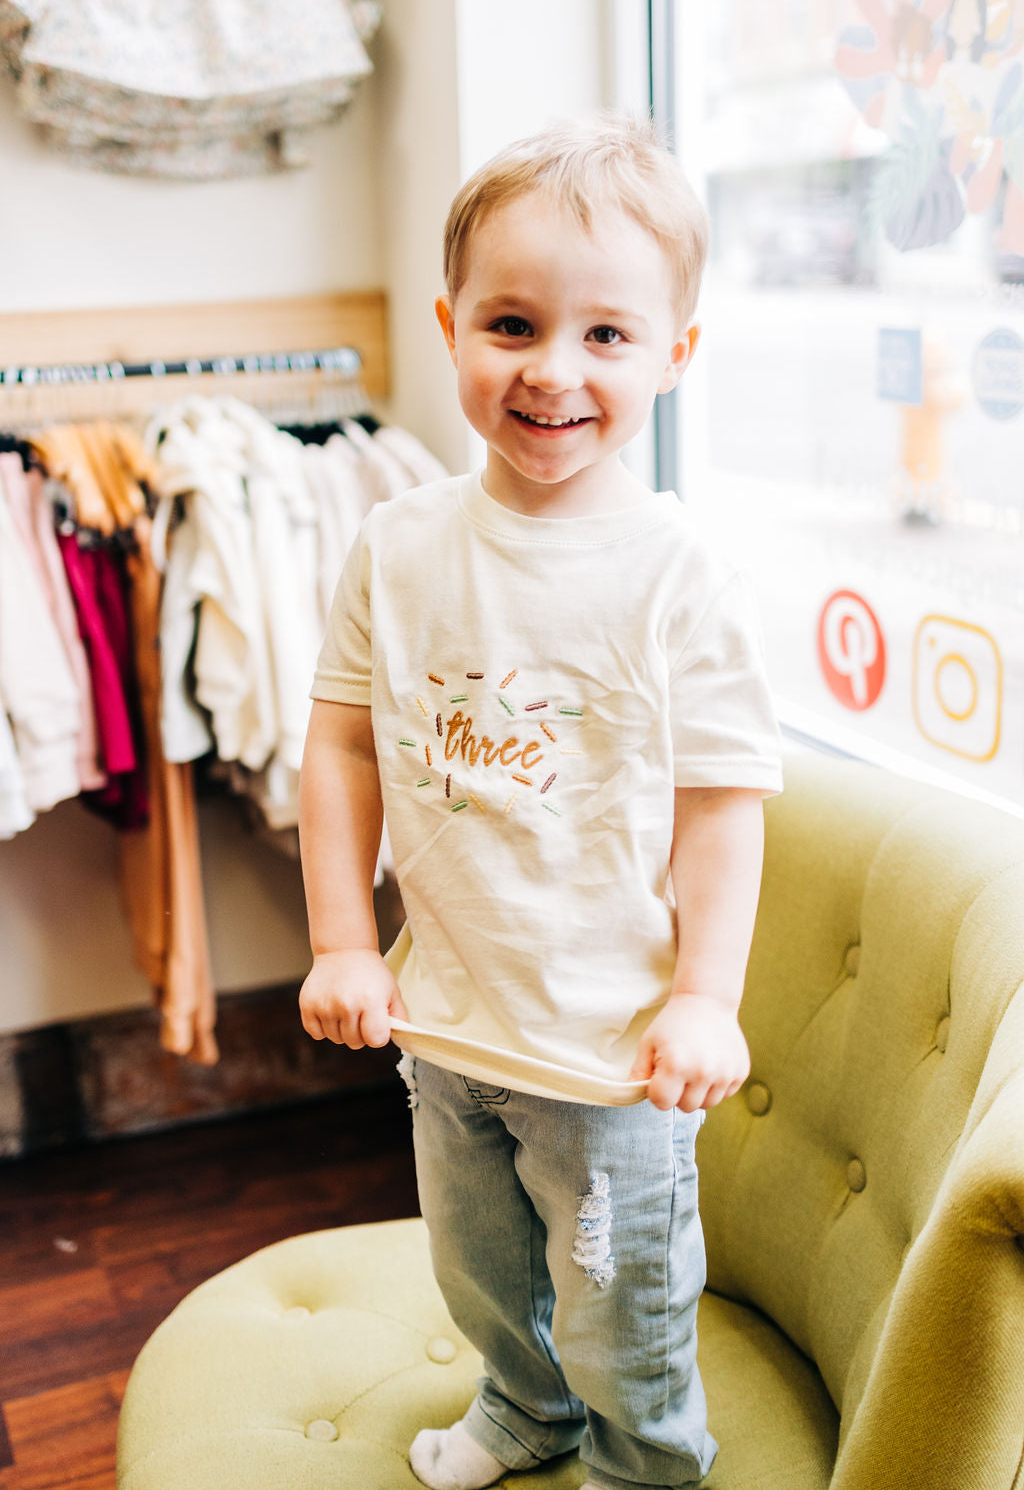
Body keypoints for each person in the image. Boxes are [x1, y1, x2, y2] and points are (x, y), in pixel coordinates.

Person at [298, 115, 783, 1490]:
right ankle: (523, 1413)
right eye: (512, 324)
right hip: (447, 1022)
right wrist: (342, 939)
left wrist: (707, 993)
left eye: (608, 337)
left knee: (622, 1312)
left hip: (610, 1056)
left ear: (674, 358)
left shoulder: (681, 571)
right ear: (451, 328)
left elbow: (723, 805)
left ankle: (644, 1463)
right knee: (481, 1269)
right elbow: (334, 751)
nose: (554, 371)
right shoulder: (396, 544)